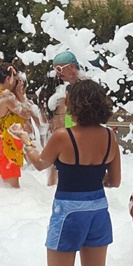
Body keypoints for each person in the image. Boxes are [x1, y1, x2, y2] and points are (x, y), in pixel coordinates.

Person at [19, 79, 121, 266]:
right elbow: (115, 181)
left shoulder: (63, 136)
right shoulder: (110, 136)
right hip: (99, 212)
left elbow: (40, 163)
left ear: (75, 104)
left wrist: (26, 141)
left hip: (69, 214)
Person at [0, 64, 37, 188]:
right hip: (8, 145)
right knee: (13, 190)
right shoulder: (7, 95)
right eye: (16, 79)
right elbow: (26, 113)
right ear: (9, 79)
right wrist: (20, 93)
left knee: (4, 188)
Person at [48, 50, 84, 186]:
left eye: (59, 69)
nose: (57, 73)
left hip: (83, 137)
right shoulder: (69, 88)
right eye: (55, 69)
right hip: (71, 135)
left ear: (72, 67)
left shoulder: (86, 86)